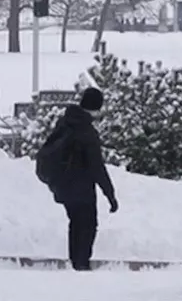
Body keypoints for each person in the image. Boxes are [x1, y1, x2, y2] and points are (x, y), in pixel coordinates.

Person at [36, 87, 118, 271]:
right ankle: (81, 263)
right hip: (82, 187)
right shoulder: (87, 132)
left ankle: (76, 261)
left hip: (63, 184)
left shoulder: (65, 122)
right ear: (96, 107)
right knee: (88, 224)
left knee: (76, 223)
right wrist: (110, 195)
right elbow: (97, 168)